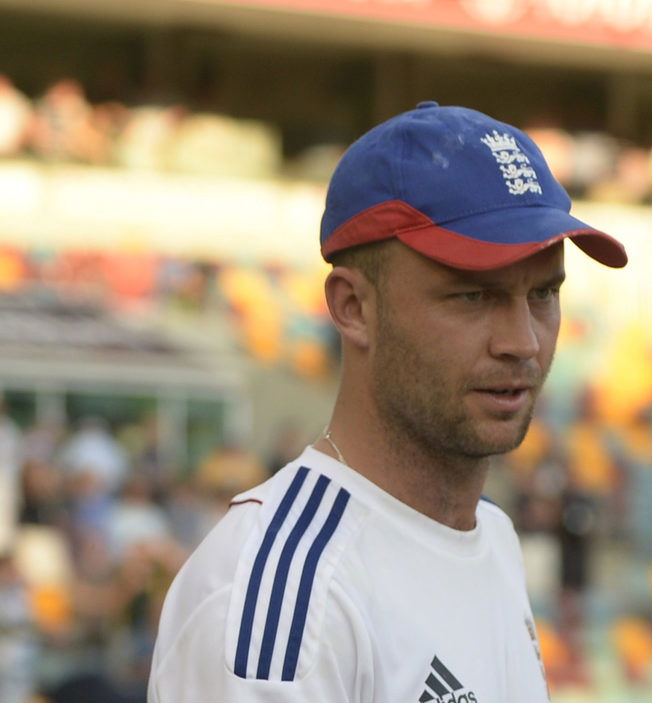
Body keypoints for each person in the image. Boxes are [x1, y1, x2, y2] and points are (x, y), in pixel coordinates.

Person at [149, 102, 627, 702]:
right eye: (473, 296)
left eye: (544, 294)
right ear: (353, 308)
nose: (523, 342)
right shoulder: (286, 591)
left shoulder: (494, 537)